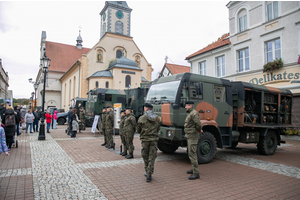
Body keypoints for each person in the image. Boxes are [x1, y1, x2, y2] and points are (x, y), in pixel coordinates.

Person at [136, 103, 160, 182]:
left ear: (146, 109)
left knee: (145, 155)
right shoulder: (156, 118)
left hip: (145, 140)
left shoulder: (142, 118)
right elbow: (158, 128)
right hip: (153, 140)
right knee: (152, 157)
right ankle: (149, 173)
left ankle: (147, 171)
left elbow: (138, 130)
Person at [184, 101, 202, 180]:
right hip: (190, 135)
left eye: (186, 106)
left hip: (193, 136)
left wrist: (199, 130)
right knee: (190, 153)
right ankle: (194, 169)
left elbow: (198, 124)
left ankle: (196, 173)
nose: (185, 107)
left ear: (190, 105)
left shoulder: (194, 113)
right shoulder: (190, 113)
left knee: (192, 153)